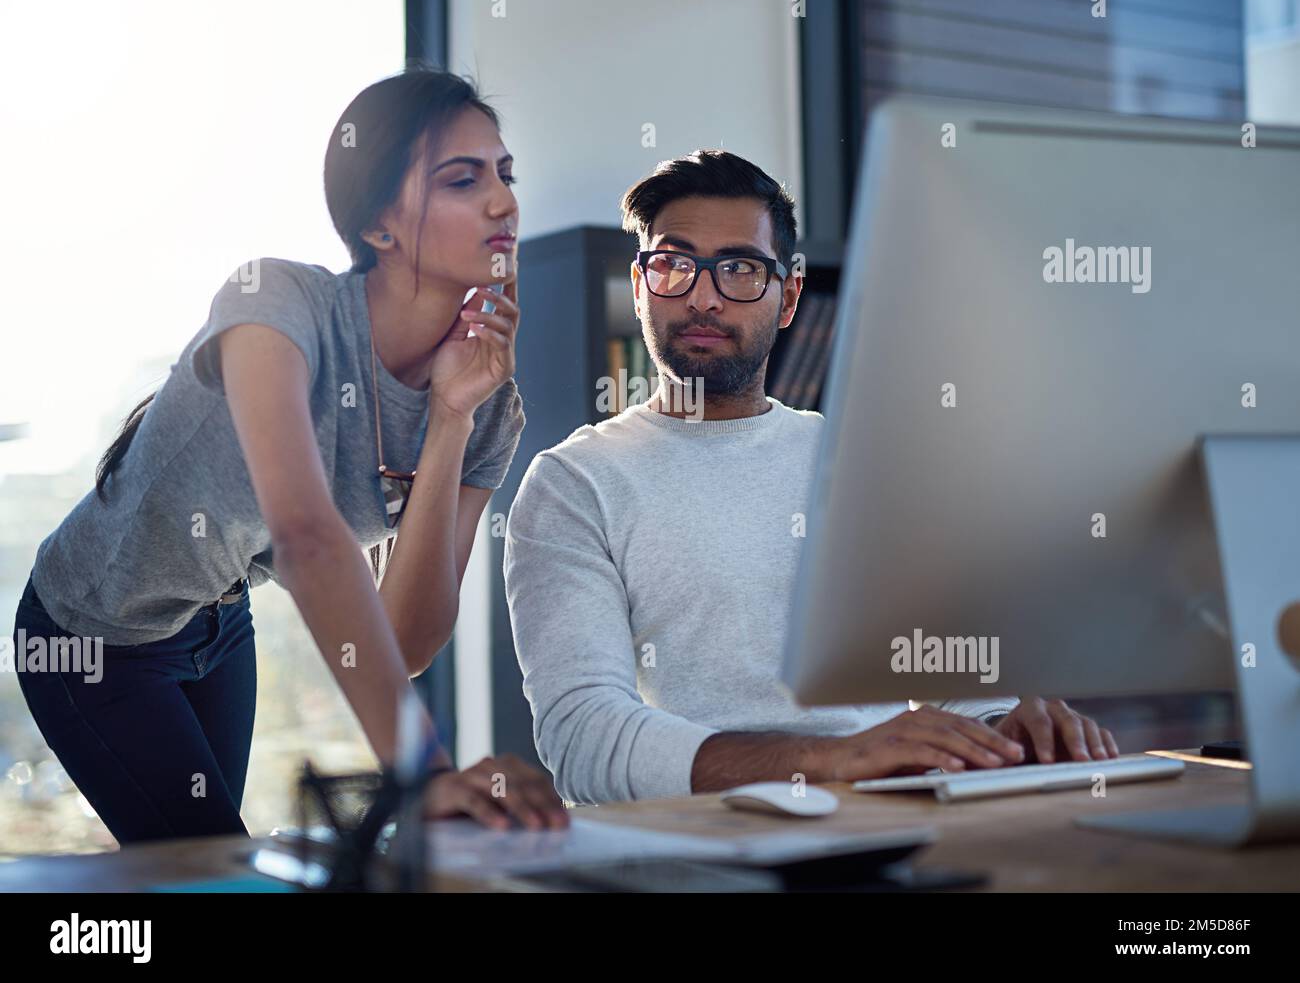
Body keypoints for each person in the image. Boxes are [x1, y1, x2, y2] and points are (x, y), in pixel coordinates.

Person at [14, 67, 567, 843]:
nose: (503, 201)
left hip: (219, 623)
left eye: (505, 174)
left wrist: (450, 417)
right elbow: (308, 537)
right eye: (462, 179)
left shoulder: (488, 407)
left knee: (211, 863)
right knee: (212, 862)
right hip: (92, 633)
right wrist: (423, 774)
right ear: (379, 226)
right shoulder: (274, 303)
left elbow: (404, 642)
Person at [505, 148, 1118, 805]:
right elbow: (585, 740)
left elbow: (957, 686)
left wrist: (1006, 731)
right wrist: (832, 760)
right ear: (639, 285)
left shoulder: (866, 463)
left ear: (789, 296)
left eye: (739, 269)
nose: (703, 297)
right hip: (695, 841)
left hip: (893, 821)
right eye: (674, 265)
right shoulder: (573, 484)